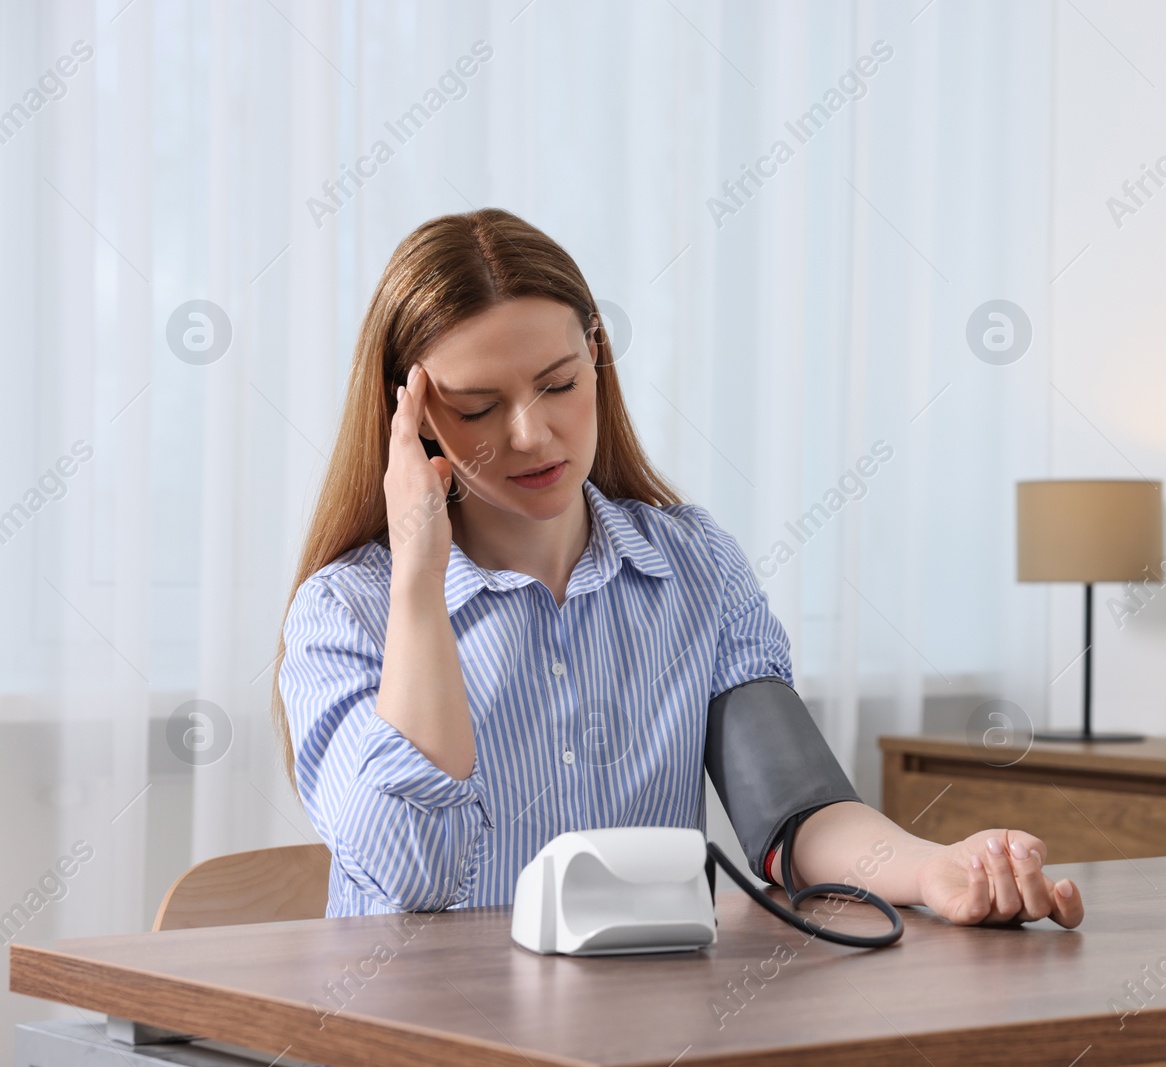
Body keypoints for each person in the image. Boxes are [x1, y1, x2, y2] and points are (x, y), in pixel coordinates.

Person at [271, 208, 1083, 930]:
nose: (533, 434)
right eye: (480, 407)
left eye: (558, 384)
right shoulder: (346, 612)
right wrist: (418, 581)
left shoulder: (694, 567)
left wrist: (933, 868)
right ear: (409, 415)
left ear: (597, 356)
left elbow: (795, 813)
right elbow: (411, 877)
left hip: (643, 1034)